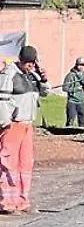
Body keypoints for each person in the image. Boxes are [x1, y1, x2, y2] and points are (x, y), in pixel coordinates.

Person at [0, 46, 48, 214]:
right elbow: (2, 100)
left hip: (27, 125)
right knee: (8, 163)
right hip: (13, 125)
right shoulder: (8, 74)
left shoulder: (33, 75)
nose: (30, 65)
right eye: (28, 62)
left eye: (32, 63)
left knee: (25, 163)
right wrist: (5, 122)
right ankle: (7, 201)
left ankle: (22, 200)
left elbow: (45, 92)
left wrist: (43, 79)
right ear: (20, 60)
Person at [63, 57, 84, 128]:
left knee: (82, 121)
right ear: (76, 64)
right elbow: (64, 88)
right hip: (72, 101)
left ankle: (82, 132)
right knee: (70, 120)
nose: (80, 66)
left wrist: (79, 76)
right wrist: (75, 89)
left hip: (82, 101)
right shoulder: (70, 76)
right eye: (79, 65)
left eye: (82, 65)